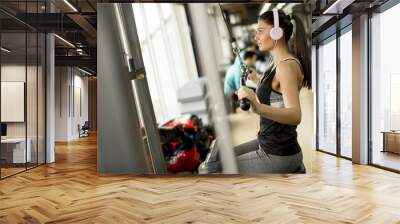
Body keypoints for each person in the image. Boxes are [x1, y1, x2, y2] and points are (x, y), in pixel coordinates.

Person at [234, 9, 311, 173]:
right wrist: (257, 80)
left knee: (217, 168)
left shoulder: (286, 66)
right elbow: (277, 95)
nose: (256, 37)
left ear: (277, 32)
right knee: (221, 156)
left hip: (279, 153)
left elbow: (295, 115)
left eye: (260, 31)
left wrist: (257, 106)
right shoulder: (276, 62)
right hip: (267, 142)